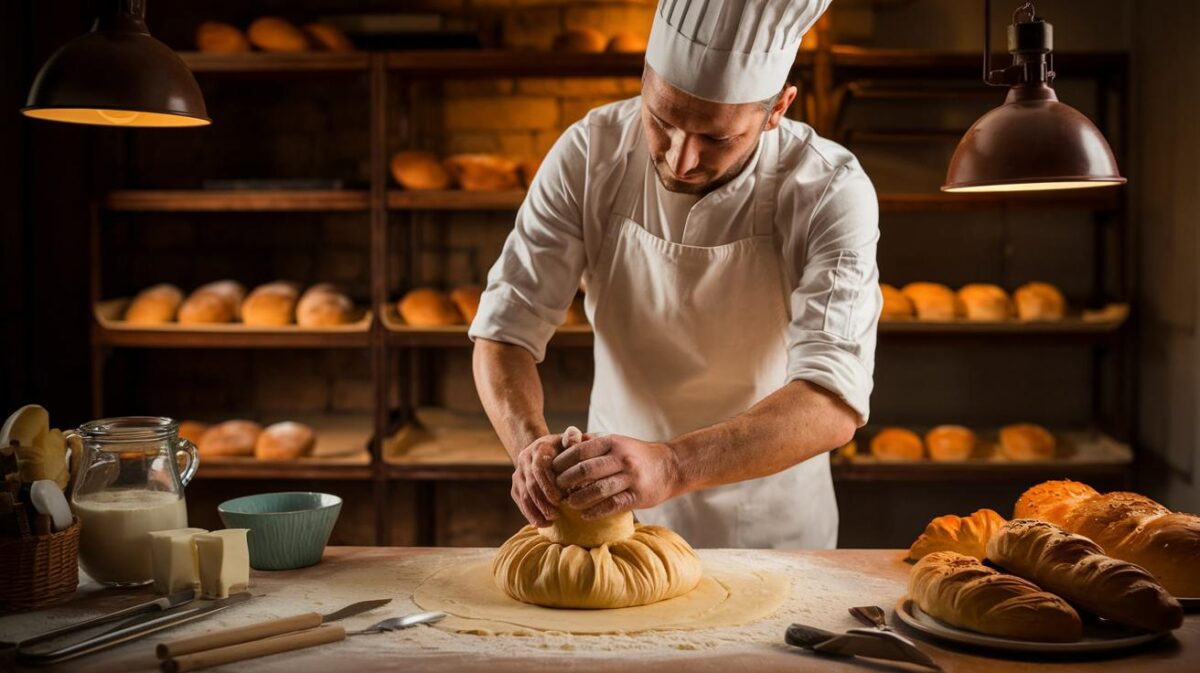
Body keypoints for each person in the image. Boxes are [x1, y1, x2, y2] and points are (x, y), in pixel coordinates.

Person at [470, 0, 880, 549]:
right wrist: (530, 447)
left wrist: (672, 465)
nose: (681, 160)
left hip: (770, 529)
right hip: (611, 521)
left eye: (717, 138)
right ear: (645, 78)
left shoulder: (828, 188)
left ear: (778, 108)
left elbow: (831, 403)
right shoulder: (591, 153)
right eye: (662, 121)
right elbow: (503, 331)